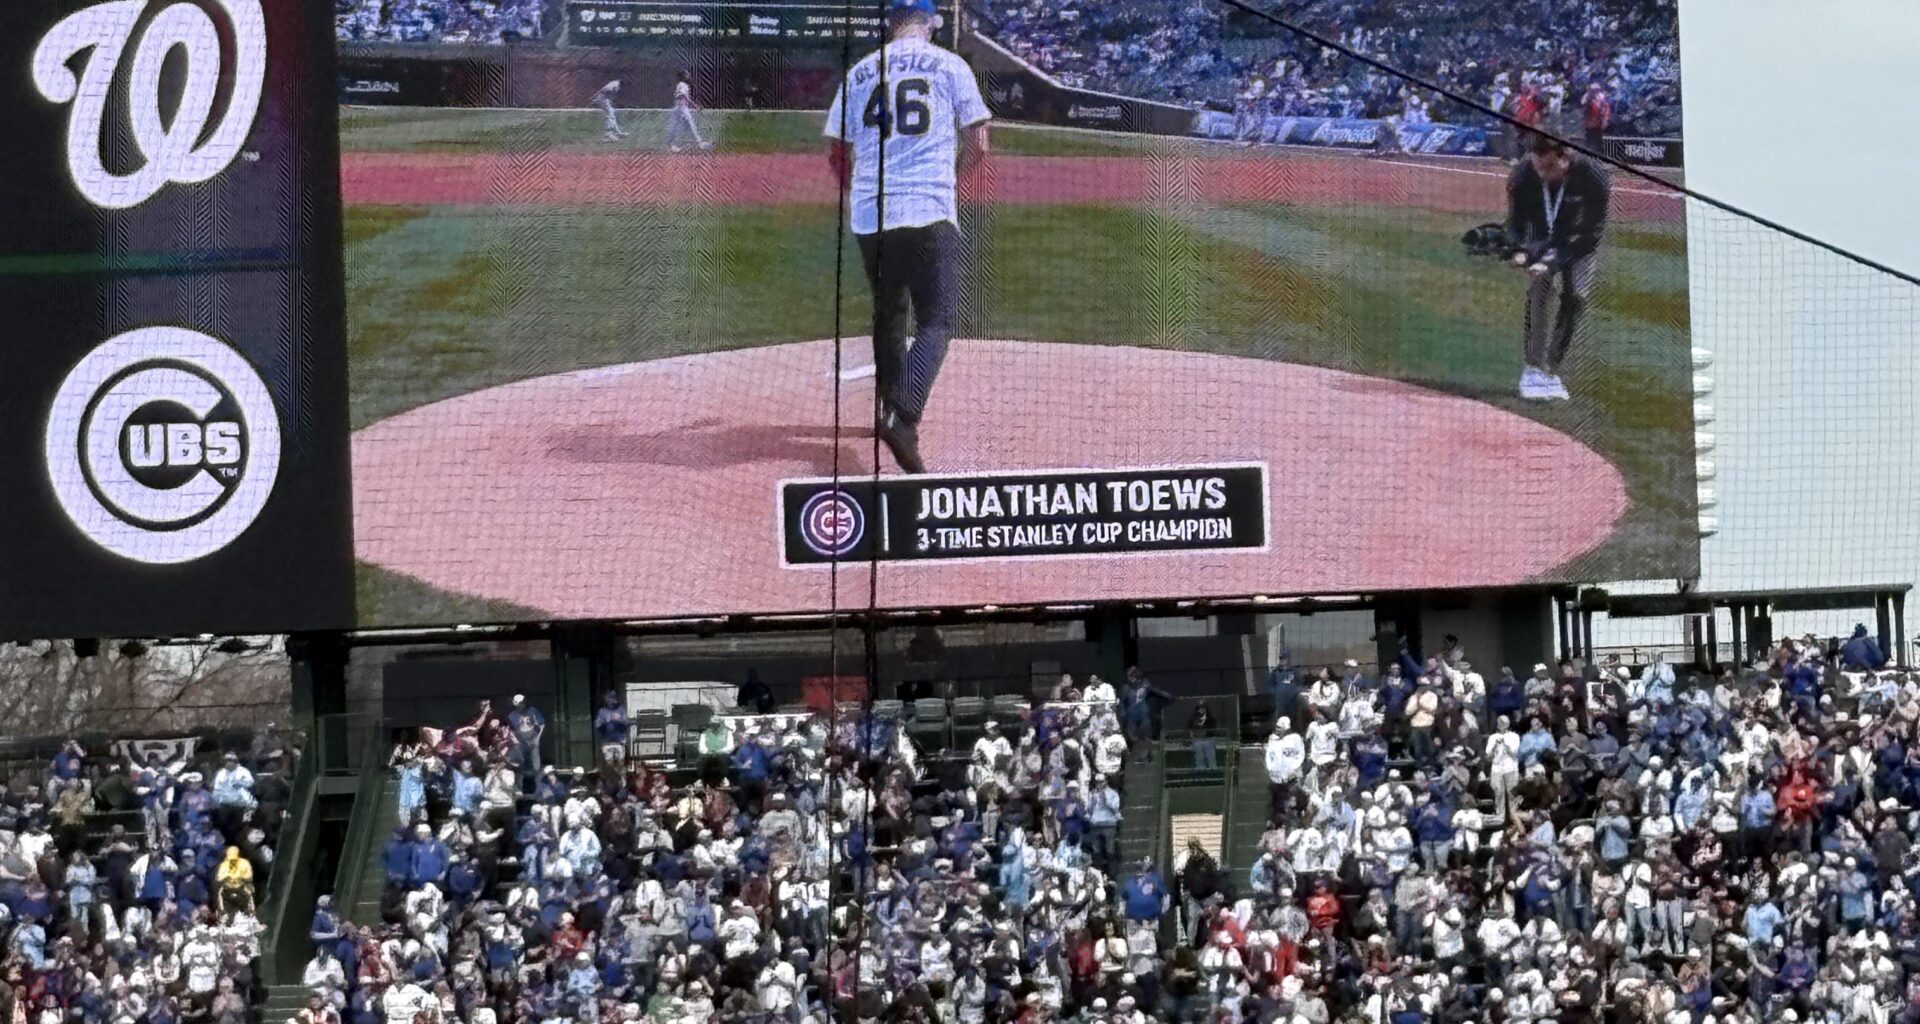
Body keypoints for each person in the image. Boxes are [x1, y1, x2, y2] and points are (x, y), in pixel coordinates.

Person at [823, 0, 992, 474]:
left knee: (890, 310)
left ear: (892, 23)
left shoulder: (860, 70)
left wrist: (859, 192)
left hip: (869, 214)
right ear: (928, 24)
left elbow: (837, 148)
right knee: (938, 319)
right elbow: (979, 141)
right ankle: (903, 413)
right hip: (927, 209)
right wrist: (949, 183)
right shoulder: (950, 64)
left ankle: (888, 407)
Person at [1505, 131, 1609, 401]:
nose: (1542, 174)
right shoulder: (1522, 176)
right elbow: (1517, 224)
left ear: (1566, 157)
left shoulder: (1594, 177)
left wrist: (1551, 263)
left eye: (1549, 167)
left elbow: (1590, 234)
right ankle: (1532, 367)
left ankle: (1551, 370)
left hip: (1579, 241)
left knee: (1575, 298)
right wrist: (1522, 253)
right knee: (1539, 290)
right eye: (1538, 166)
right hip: (1542, 236)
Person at [666, 69, 711, 152]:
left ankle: (670, 145)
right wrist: (695, 105)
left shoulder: (680, 84)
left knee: (675, 127)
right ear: (683, 76)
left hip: (678, 108)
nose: (688, 76)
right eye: (686, 74)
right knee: (691, 126)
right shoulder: (683, 85)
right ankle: (700, 144)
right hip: (682, 108)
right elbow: (684, 96)